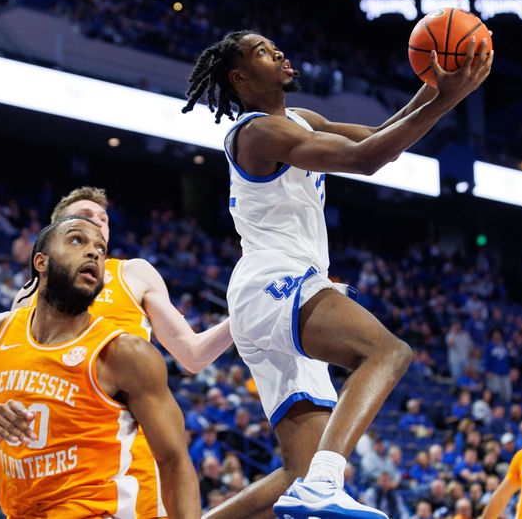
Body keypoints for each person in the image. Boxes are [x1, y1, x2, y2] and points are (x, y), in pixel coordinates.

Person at [181, 29, 492, 518]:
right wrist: (447, 98)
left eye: (275, 45)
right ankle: (327, 482)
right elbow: (366, 161)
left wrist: (435, 89)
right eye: (262, 51)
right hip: (272, 282)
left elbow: (376, 139)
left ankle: (308, 484)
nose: (279, 52)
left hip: (277, 295)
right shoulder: (258, 132)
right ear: (239, 78)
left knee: (295, 473)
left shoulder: (303, 120)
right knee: (387, 351)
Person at [0, 186, 233, 519]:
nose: (96, 231)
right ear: (45, 251)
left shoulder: (131, 276)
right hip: (34, 482)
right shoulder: (13, 315)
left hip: (118, 453)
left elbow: (191, 353)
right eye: (81, 227)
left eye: (102, 224)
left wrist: (244, 318)